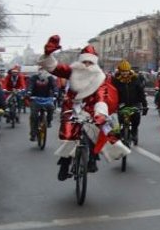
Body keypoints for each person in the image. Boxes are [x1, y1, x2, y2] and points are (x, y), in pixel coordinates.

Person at [39, 36, 116, 179]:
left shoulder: (100, 77)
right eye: (84, 61)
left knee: (94, 131)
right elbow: (55, 68)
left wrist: (100, 113)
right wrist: (48, 55)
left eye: (90, 62)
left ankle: (92, 159)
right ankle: (64, 165)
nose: (87, 65)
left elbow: (101, 96)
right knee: (68, 135)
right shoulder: (72, 71)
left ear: (94, 63)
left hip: (91, 109)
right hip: (72, 107)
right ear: (80, 61)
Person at [112, 59, 149, 145]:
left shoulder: (135, 79)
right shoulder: (115, 80)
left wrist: (144, 105)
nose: (125, 73)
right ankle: (121, 133)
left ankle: (134, 131)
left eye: (126, 71)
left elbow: (141, 93)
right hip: (121, 104)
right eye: (123, 71)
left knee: (136, 117)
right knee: (119, 120)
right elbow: (112, 93)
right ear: (120, 71)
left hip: (134, 103)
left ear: (129, 70)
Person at [25, 66, 58, 138]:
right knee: (33, 116)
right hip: (35, 98)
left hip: (47, 98)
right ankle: (33, 134)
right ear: (38, 70)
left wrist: (56, 92)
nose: (42, 71)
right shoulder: (34, 77)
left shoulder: (50, 78)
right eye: (41, 69)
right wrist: (29, 92)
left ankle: (49, 121)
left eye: (44, 69)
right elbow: (30, 86)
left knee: (51, 108)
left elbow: (54, 86)